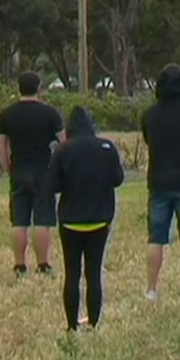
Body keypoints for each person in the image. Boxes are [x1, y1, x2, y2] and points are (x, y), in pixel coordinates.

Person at [49, 107, 123, 332]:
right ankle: (93, 321)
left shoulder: (62, 151)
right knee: (93, 272)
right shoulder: (107, 147)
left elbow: (54, 185)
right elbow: (118, 179)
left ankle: (71, 325)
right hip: (100, 219)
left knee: (72, 273)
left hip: (71, 220)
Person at [142, 64, 180, 301]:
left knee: (156, 238)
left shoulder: (149, 115)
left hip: (158, 181)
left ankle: (151, 288)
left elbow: (148, 141)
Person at [0, 72, 65, 276]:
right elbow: (64, 143)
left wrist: (8, 167)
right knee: (42, 220)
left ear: (19, 87)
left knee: (19, 221)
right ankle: (43, 265)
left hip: (19, 168)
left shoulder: (6, 114)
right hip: (43, 170)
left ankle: (19, 265)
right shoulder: (50, 113)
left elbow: (0, 147)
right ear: (40, 88)